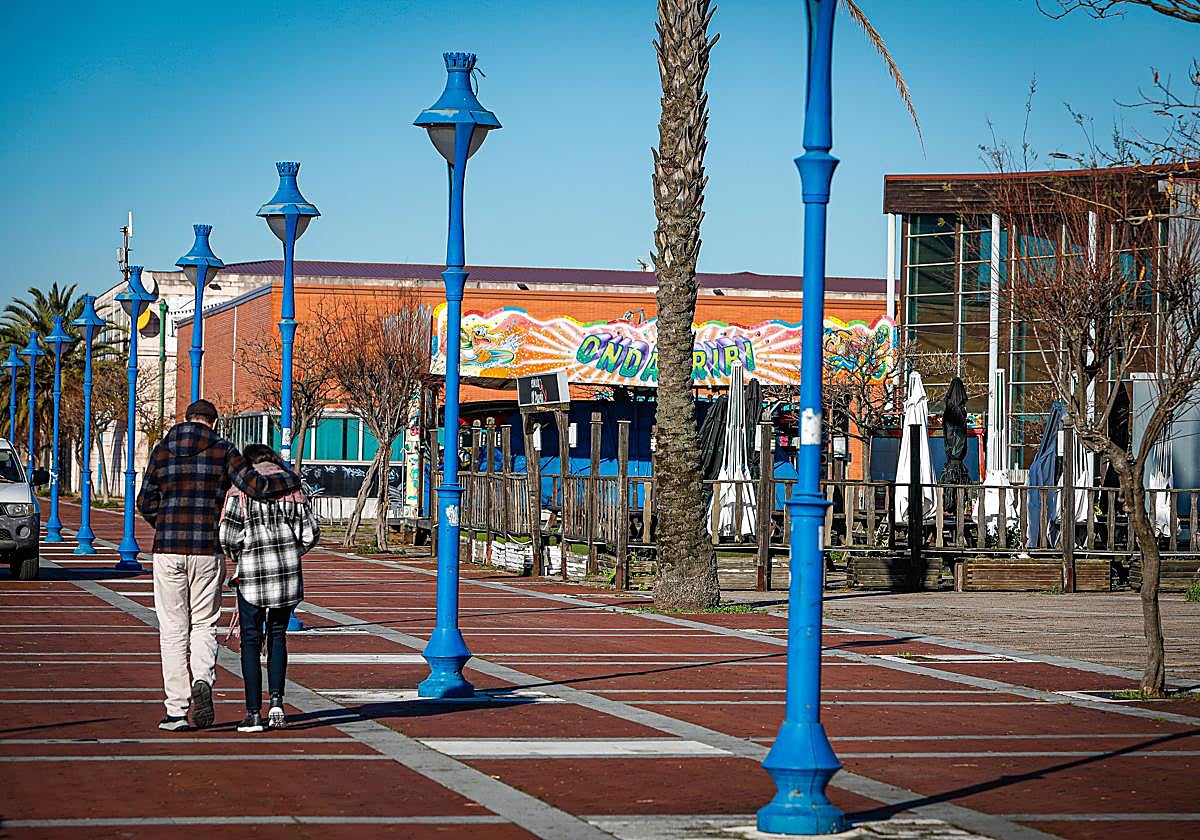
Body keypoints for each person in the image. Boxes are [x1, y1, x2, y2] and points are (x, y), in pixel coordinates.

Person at [137, 399, 301, 732]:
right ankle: (203, 679)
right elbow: (256, 488)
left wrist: (165, 523)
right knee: (204, 622)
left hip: (167, 549)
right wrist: (290, 479)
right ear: (213, 424)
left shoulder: (162, 450)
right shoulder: (224, 449)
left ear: (186, 419)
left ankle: (176, 710)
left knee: (171, 630)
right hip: (206, 549)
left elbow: (145, 501)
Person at [219, 443, 318, 733]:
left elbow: (227, 535)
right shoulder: (293, 487)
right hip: (287, 576)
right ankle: (277, 702)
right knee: (278, 636)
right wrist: (291, 552)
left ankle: (253, 713)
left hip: (251, 576)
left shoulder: (241, 489)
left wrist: (240, 554)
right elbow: (311, 533)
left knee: (250, 640)